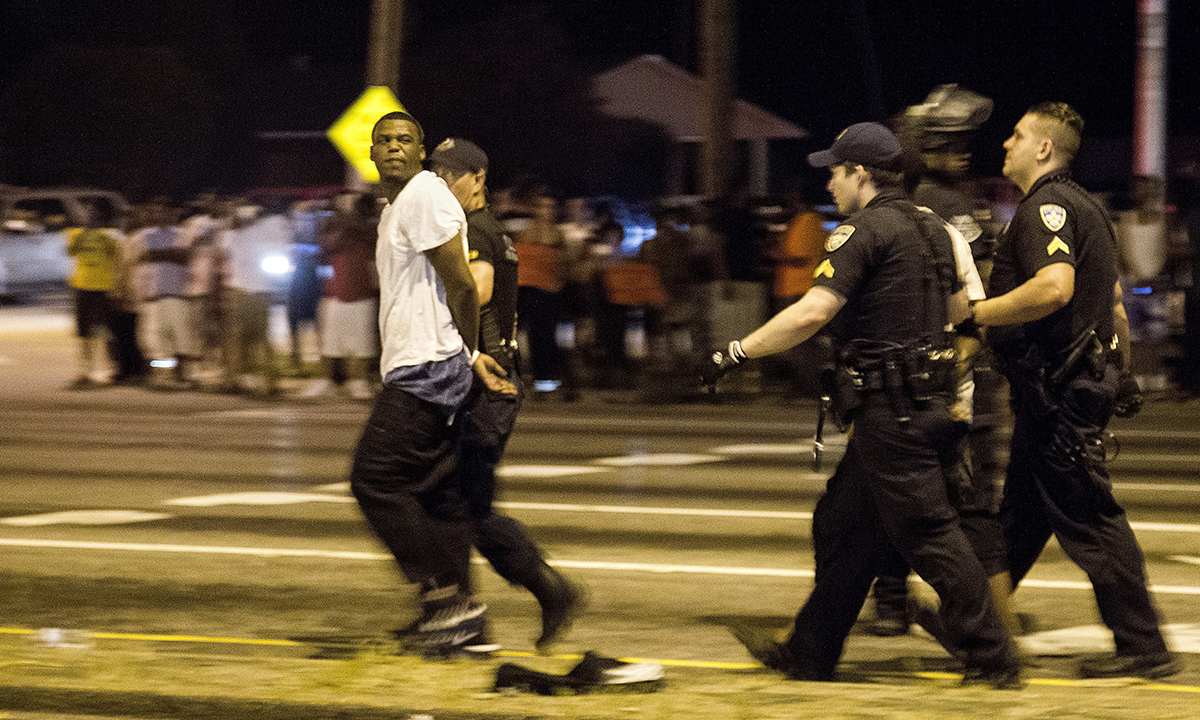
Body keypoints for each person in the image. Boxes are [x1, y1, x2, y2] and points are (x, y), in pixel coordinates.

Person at [707, 122, 1020, 688]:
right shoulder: (938, 231)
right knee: (843, 524)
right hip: (925, 405)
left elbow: (812, 313)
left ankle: (994, 658)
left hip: (892, 414)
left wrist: (736, 351)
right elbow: (961, 315)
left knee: (931, 536)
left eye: (835, 171)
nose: (828, 182)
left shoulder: (859, 231)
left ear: (860, 173)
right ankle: (811, 652)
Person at [967, 102, 1178, 679]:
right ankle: (981, 629)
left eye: (1016, 135)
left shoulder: (1047, 208)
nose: (1005, 144)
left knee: (1090, 519)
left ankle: (1143, 644)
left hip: (1059, 392)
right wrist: (1125, 375)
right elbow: (1112, 306)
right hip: (1063, 390)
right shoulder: (1089, 209)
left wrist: (977, 315)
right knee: (1020, 518)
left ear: (1042, 149)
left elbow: (1055, 288)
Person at [348, 111, 512, 657]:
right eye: (383, 141)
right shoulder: (398, 206)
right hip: (427, 363)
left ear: (421, 154)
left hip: (427, 366)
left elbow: (462, 287)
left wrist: (469, 354)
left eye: (405, 140)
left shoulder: (422, 196)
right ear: (371, 154)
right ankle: (463, 623)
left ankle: (444, 603)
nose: (393, 147)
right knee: (437, 497)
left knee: (374, 480)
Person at [869, 85, 1017, 639]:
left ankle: (889, 601)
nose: (961, 149)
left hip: (933, 370)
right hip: (954, 371)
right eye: (948, 140)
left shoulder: (944, 197)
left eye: (964, 140)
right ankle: (991, 629)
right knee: (971, 501)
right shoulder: (939, 202)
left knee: (895, 492)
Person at [428, 137, 581, 649]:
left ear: (477, 179)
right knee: (459, 501)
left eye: (451, 175)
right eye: (437, 175)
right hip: (483, 382)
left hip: (485, 386)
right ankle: (470, 610)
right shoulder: (486, 228)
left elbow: (479, 287)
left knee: (456, 502)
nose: (442, 183)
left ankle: (475, 611)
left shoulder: (475, 229)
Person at [303, 192, 379, 401]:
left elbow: (370, 235)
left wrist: (348, 217)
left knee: (362, 345)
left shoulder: (370, 226)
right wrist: (341, 219)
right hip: (337, 293)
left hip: (363, 294)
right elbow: (325, 243)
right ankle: (327, 381)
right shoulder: (336, 227)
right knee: (330, 343)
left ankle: (359, 382)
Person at [64, 202, 122, 389]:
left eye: (95, 215)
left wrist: (100, 234)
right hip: (82, 287)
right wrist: (84, 232)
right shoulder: (74, 233)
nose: (91, 218)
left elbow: (115, 254)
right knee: (84, 332)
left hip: (103, 288)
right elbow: (70, 252)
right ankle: (84, 371)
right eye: (88, 214)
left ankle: (109, 370)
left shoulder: (109, 235)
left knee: (104, 332)